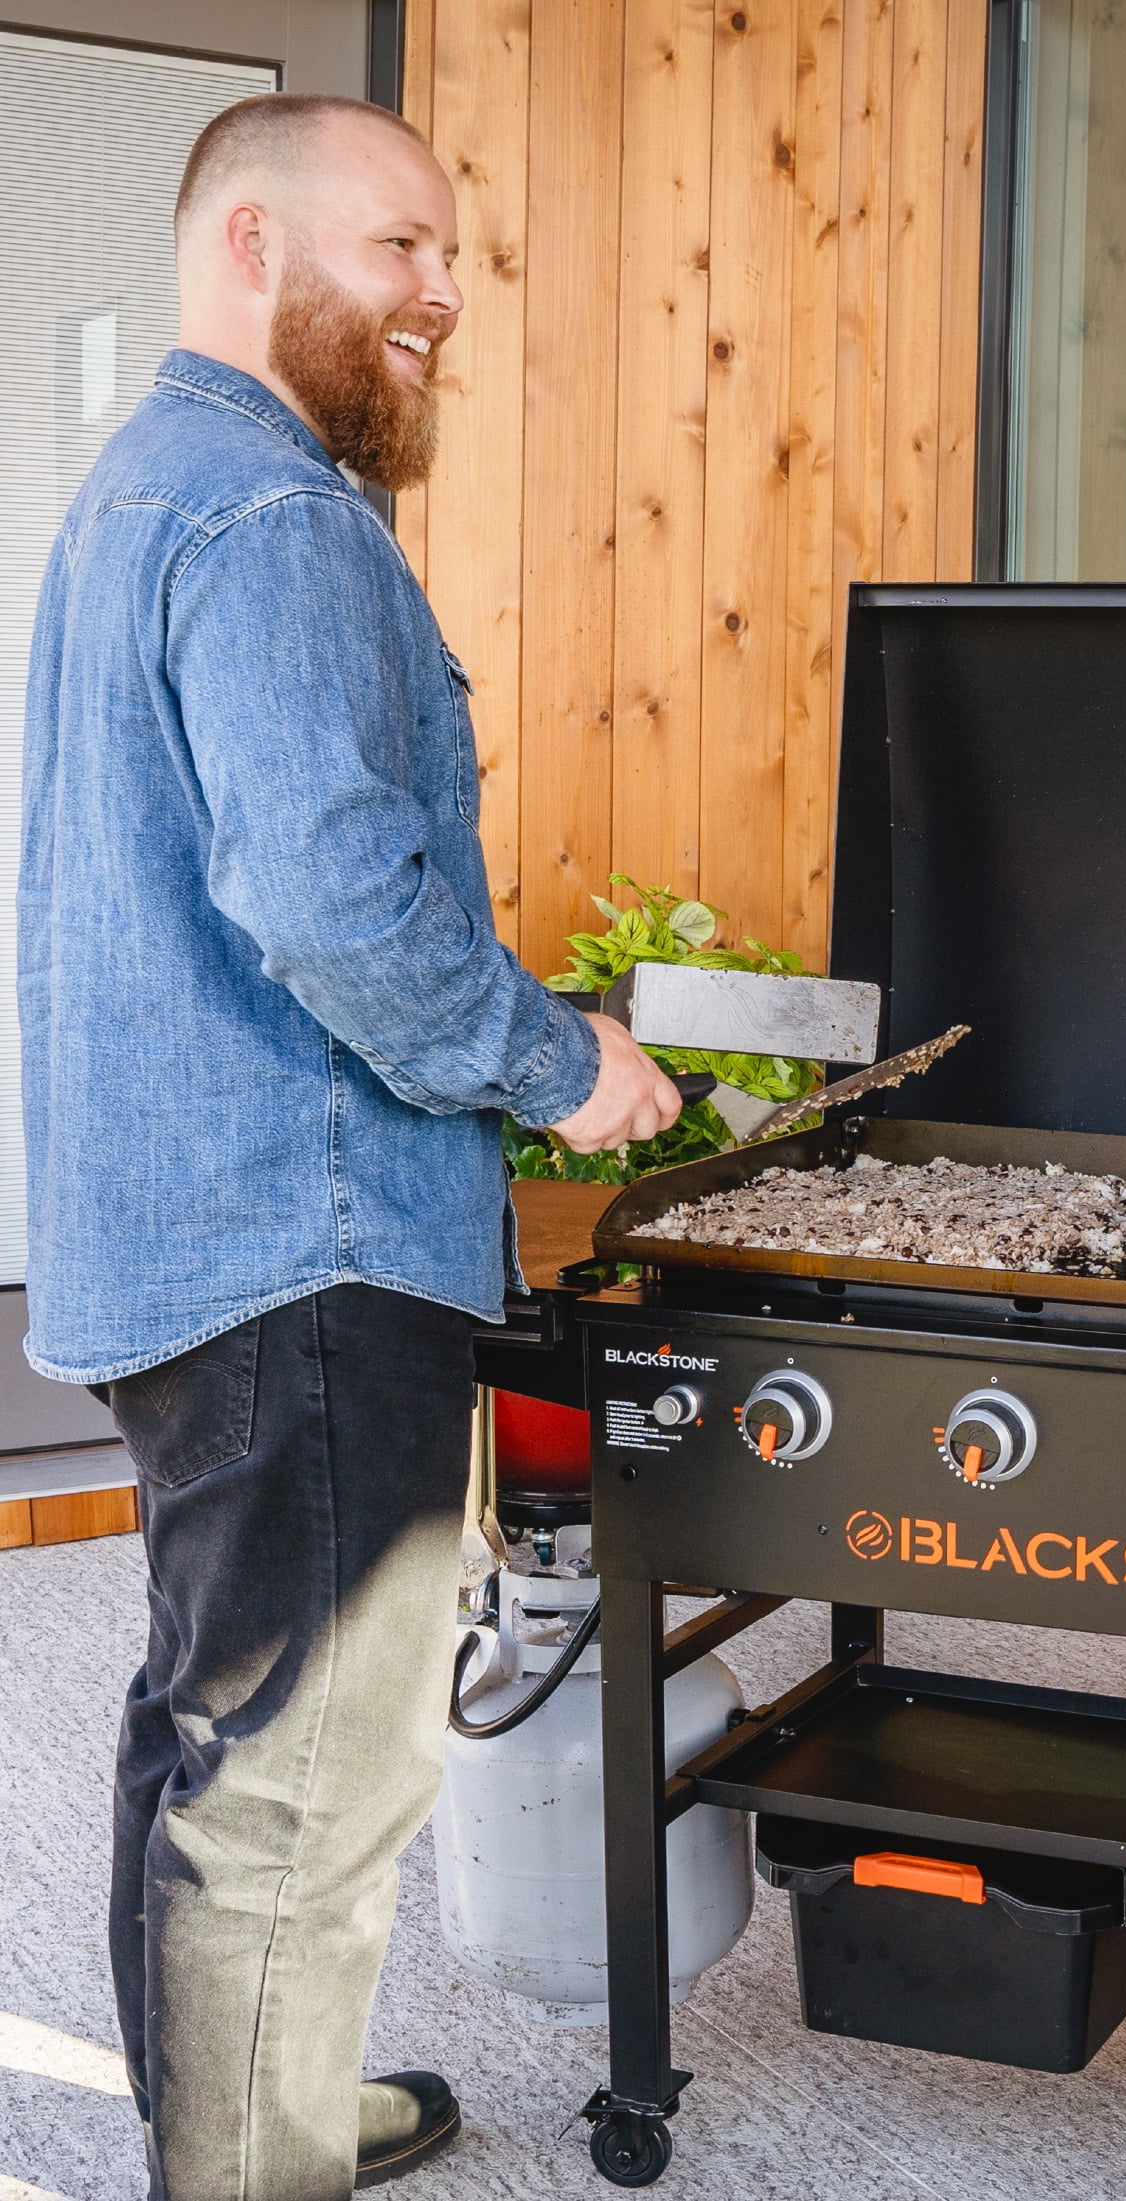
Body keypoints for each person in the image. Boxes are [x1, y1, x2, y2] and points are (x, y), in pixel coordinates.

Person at [19, 94, 683, 2199]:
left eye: (452, 258)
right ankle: (254, 2164)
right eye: (397, 247)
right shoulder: (278, 522)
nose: (441, 297)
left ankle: (237, 2117)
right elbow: (327, 900)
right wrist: (554, 1064)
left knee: (214, 1711)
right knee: (303, 1774)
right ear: (243, 245)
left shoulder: (144, 491)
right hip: (298, 1236)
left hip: (176, 1220)